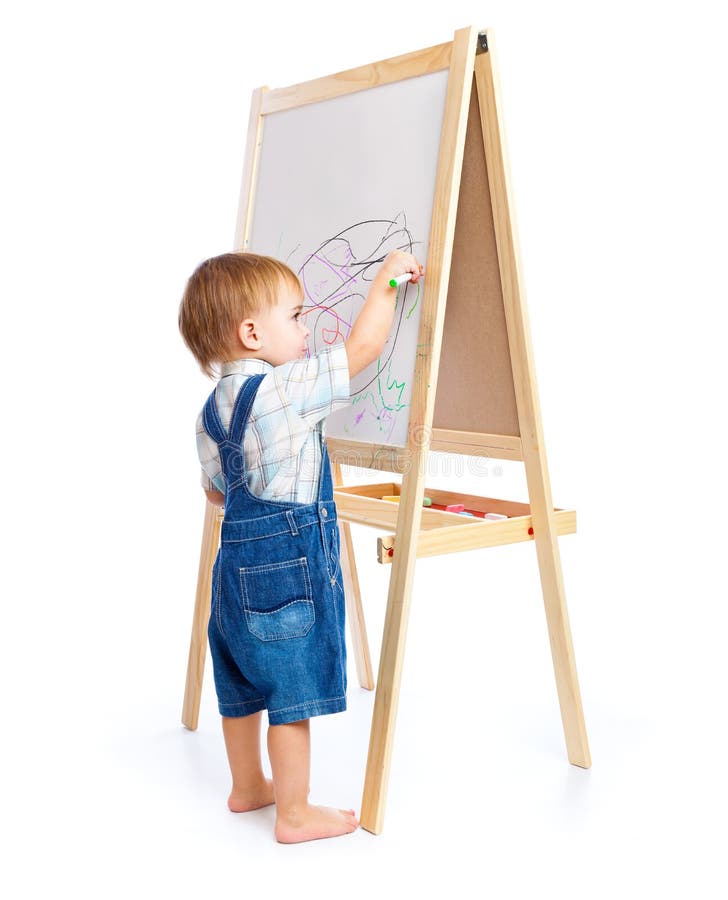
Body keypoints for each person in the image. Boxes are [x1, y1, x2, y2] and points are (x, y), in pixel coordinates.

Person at [178, 249, 425, 843]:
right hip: (288, 564)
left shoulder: (209, 413)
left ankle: (248, 786)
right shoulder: (285, 388)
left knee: (240, 684)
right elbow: (361, 352)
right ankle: (293, 813)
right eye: (297, 316)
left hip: (232, 567)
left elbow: (215, 494)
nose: (309, 328)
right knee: (291, 691)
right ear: (252, 333)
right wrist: (386, 283)